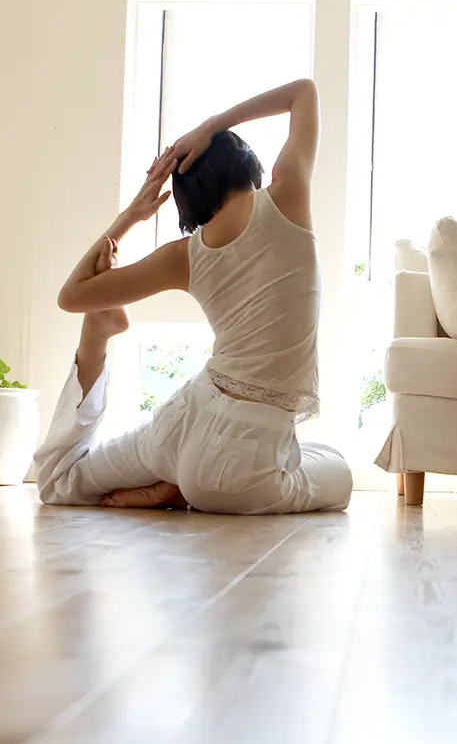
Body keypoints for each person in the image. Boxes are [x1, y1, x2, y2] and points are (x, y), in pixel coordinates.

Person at [33, 78, 353, 515]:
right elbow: (304, 92)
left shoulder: (184, 256)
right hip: (239, 471)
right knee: (336, 468)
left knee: (59, 482)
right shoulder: (287, 196)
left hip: (181, 425)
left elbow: (73, 296)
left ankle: (99, 338)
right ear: (247, 166)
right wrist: (214, 124)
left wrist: (132, 215)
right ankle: (180, 487)